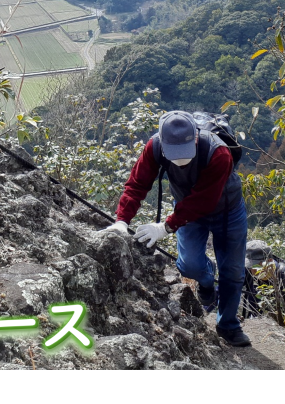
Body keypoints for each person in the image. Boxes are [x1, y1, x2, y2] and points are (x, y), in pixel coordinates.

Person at [102, 110, 251, 347]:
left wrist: (165, 227)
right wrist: (122, 221)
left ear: (195, 138)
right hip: (186, 209)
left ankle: (228, 325)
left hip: (228, 210)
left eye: (185, 153)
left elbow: (204, 201)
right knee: (188, 265)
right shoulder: (154, 147)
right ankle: (206, 280)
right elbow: (137, 184)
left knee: (232, 271)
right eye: (174, 154)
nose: (180, 159)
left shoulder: (218, 153)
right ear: (163, 143)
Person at [242, 240, 285, 318]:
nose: (251, 269)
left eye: (254, 265)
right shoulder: (248, 271)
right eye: (249, 265)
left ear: (269, 261)